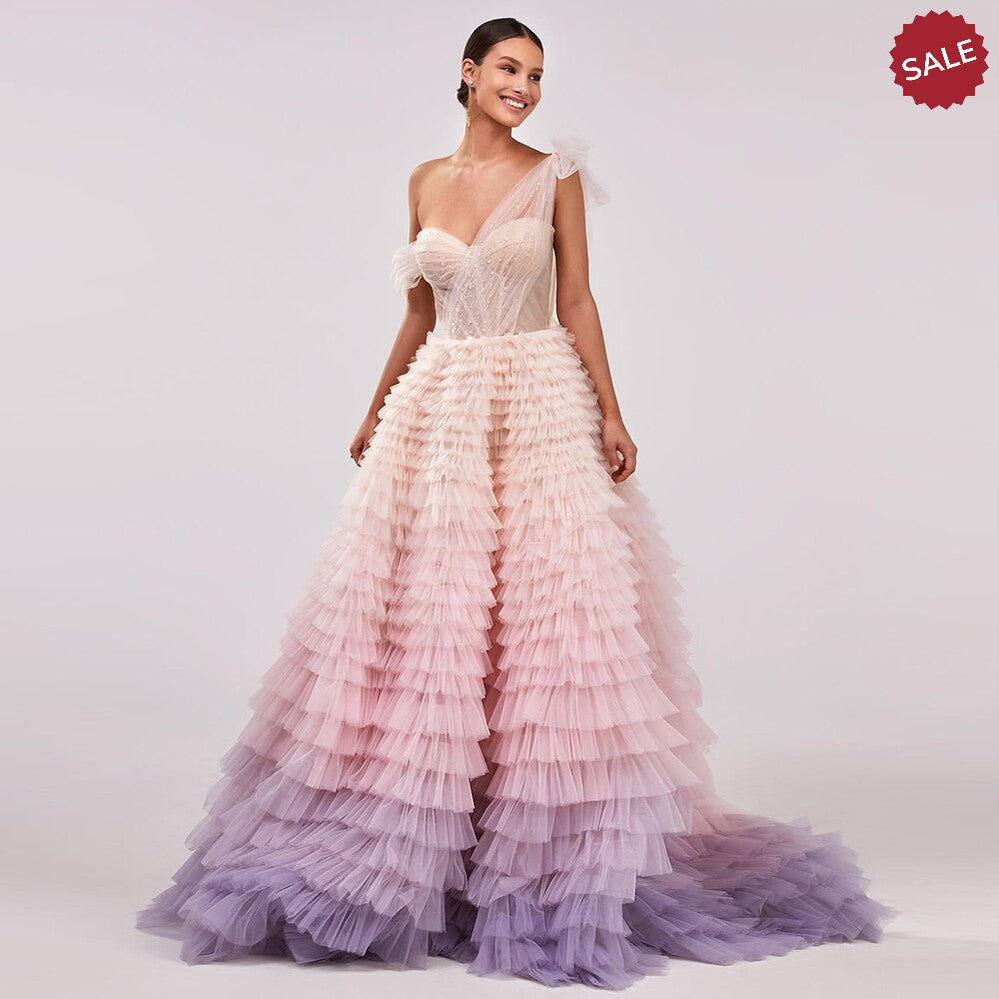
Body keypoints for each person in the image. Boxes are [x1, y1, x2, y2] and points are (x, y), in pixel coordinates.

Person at [136, 17, 896, 989]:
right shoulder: (423, 180)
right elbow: (419, 309)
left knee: (547, 626)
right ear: (468, 72)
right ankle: (421, 855)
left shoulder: (554, 175)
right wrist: (373, 407)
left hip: (537, 405)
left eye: (536, 74)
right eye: (508, 68)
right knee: (432, 626)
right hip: (442, 406)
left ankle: (535, 860)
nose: (525, 88)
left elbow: (576, 299)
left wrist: (612, 410)